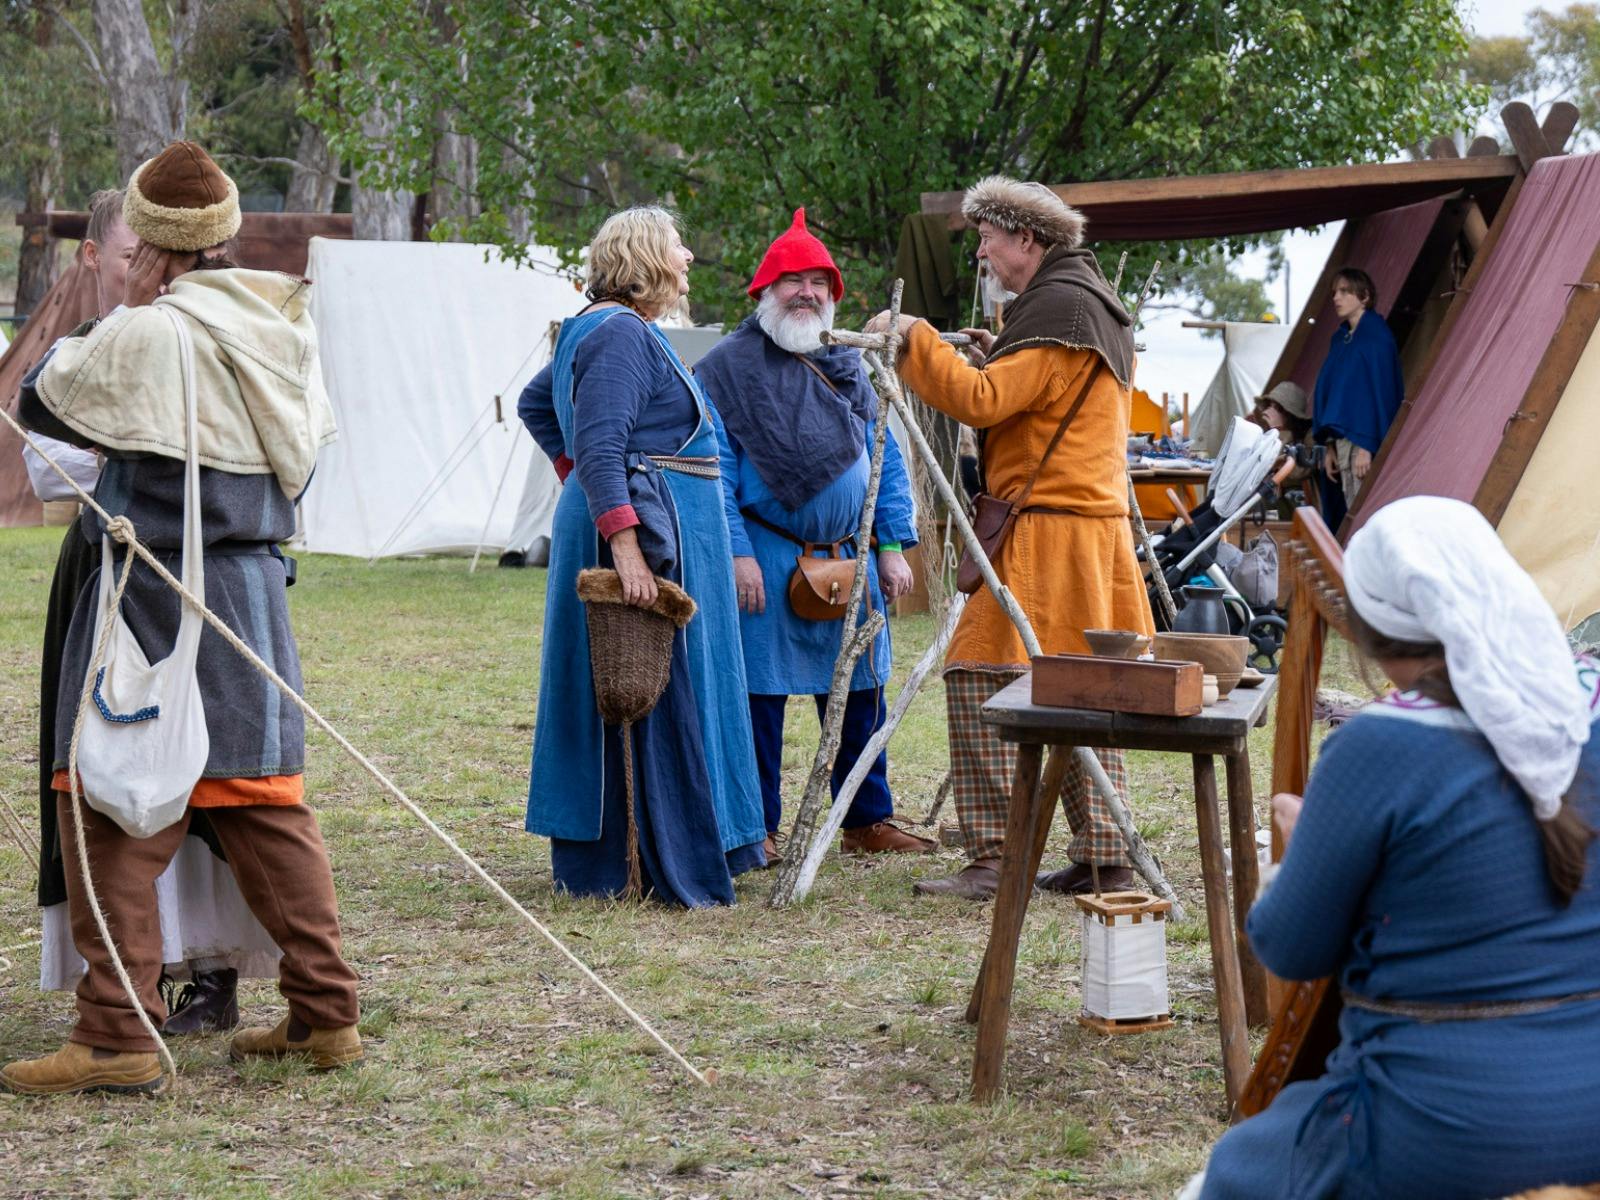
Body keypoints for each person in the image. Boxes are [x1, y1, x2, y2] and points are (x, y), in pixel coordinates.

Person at [3, 141, 359, 1096]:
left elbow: (41, 396)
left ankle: (116, 1032)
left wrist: (112, 318)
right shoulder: (283, 321)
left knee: (109, 801)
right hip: (249, 591)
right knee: (263, 803)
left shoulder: (148, 331)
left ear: (155, 246)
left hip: (153, 593)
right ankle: (326, 1015)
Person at [1188, 496, 1600, 1199]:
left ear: (1368, 633)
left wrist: (1292, 857)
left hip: (1437, 1128)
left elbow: (1289, 951)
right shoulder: (1584, 701)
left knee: (1221, 1182)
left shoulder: (1380, 744)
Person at [24, 188, 280, 1037]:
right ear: (98, 259)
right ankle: (126, 990)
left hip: (208, 571)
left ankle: (211, 973)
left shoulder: (217, 337)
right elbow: (47, 461)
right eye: (134, 253)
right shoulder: (96, 345)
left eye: (159, 252)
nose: (151, 269)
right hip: (113, 570)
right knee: (113, 772)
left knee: (226, 780)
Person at [868, 176, 1154, 900]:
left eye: (990, 238)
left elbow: (982, 398)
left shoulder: (1060, 310)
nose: (984, 254)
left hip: (1051, 536)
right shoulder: (1081, 306)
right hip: (1083, 537)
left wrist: (915, 337)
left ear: (1027, 241)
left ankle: (998, 858)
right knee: (1080, 689)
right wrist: (1001, 348)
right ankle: (1104, 855)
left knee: (980, 678)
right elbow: (1037, 394)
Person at [518, 206, 767, 906]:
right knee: (645, 683)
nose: (689, 256)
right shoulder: (620, 333)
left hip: (636, 522)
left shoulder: (604, 331)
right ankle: (646, 855)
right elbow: (599, 441)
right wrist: (622, 541)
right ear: (650, 259)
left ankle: (689, 838)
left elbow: (538, 405)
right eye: (678, 246)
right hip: (642, 537)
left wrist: (585, 489)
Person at [695, 209, 934, 864]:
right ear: (764, 291)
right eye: (791, 280)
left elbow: (883, 459)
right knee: (760, 700)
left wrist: (889, 547)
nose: (806, 292)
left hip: (850, 556)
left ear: (833, 294)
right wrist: (737, 553)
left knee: (861, 689)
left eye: (817, 282)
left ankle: (866, 819)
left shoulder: (851, 364)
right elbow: (713, 475)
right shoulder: (726, 371)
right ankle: (757, 826)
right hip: (767, 556)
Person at [1310, 267, 1404, 513]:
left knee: (1362, 509)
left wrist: (1367, 446)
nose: (1336, 298)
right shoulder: (1340, 339)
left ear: (1364, 296)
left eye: (1344, 291)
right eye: (1334, 293)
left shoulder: (1377, 339)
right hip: (1341, 442)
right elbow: (1334, 396)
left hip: (1363, 443)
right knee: (1346, 509)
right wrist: (1329, 445)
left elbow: (1381, 396)